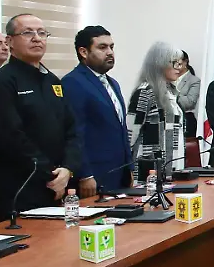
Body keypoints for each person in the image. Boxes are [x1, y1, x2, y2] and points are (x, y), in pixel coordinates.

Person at [0, 14, 82, 215]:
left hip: (60, 182)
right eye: (28, 33)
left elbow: (71, 129)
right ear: (10, 41)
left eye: (42, 33)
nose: (37, 38)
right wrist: (50, 174)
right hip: (22, 184)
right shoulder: (1, 82)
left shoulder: (52, 81)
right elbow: (10, 137)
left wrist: (68, 169)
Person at [63, 26, 131, 197]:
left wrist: (129, 168)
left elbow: (120, 129)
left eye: (111, 47)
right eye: (102, 47)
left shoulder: (112, 83)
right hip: (94, 176)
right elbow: (75, 133)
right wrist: (85, 174)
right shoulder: (73, 82)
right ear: (83, 52)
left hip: (119, 173)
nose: (110, 52)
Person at [127, 42, 187, 179]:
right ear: (160, 63)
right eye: (175, 63)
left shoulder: (171, 92)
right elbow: (130, 134)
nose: (179, 68)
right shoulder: (145, 92)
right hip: (149, 170)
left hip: (172, 165)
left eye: (180, 63)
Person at [177, 50, 200, 138]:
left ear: (185, 62)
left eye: (177, 61)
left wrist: (171, 94)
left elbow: (190, 102)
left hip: (186, 119)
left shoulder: (194, 80)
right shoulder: (168, 79)